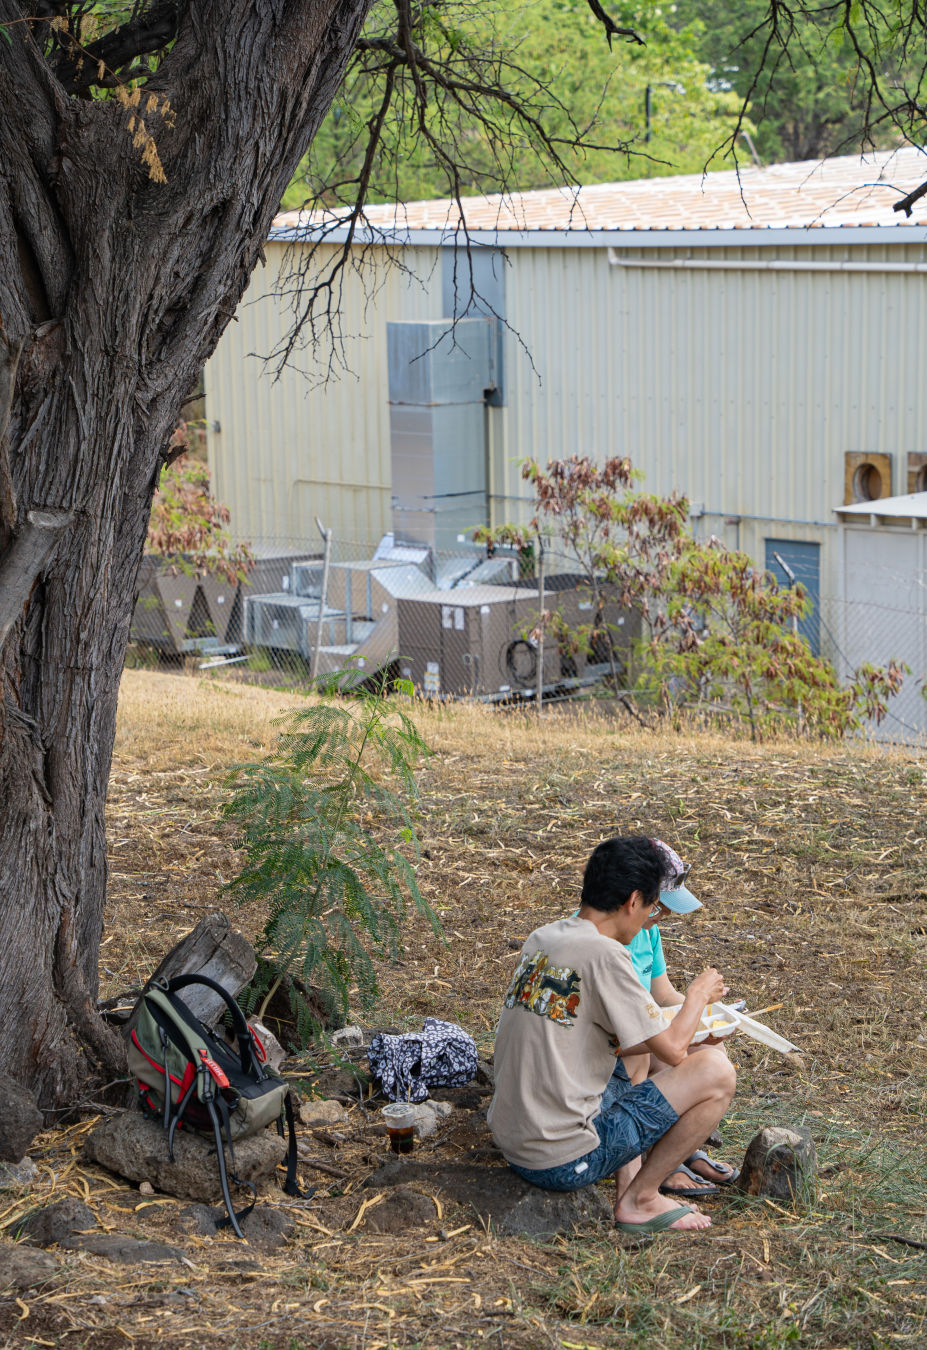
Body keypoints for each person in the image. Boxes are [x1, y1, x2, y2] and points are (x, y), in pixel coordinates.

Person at [488, 834, 737, 1234]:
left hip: (514, 1141)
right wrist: (697, 996)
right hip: (562, 1161)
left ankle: (641, 1188)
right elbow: (672, 1052)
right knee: (717, 1071)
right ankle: (641, 1199)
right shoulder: (606, 954)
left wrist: (689, 1033)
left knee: (652, 1058)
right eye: (653, 907)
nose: (649, 920)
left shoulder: (544, 937)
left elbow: (610, 1036)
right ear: (634, 900)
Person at [621, 839, 739, 1198]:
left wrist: (705, 1014)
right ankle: (656, 1165)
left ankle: (679, 1149)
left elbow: (664, 994)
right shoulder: (617, 939)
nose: (665, 916)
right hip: (629, 1041)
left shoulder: (647, 931)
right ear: (636, 899)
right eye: (660, 907)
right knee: (684, 1063)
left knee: (714, 1056)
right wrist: (694, 1007)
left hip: (645, 1028)